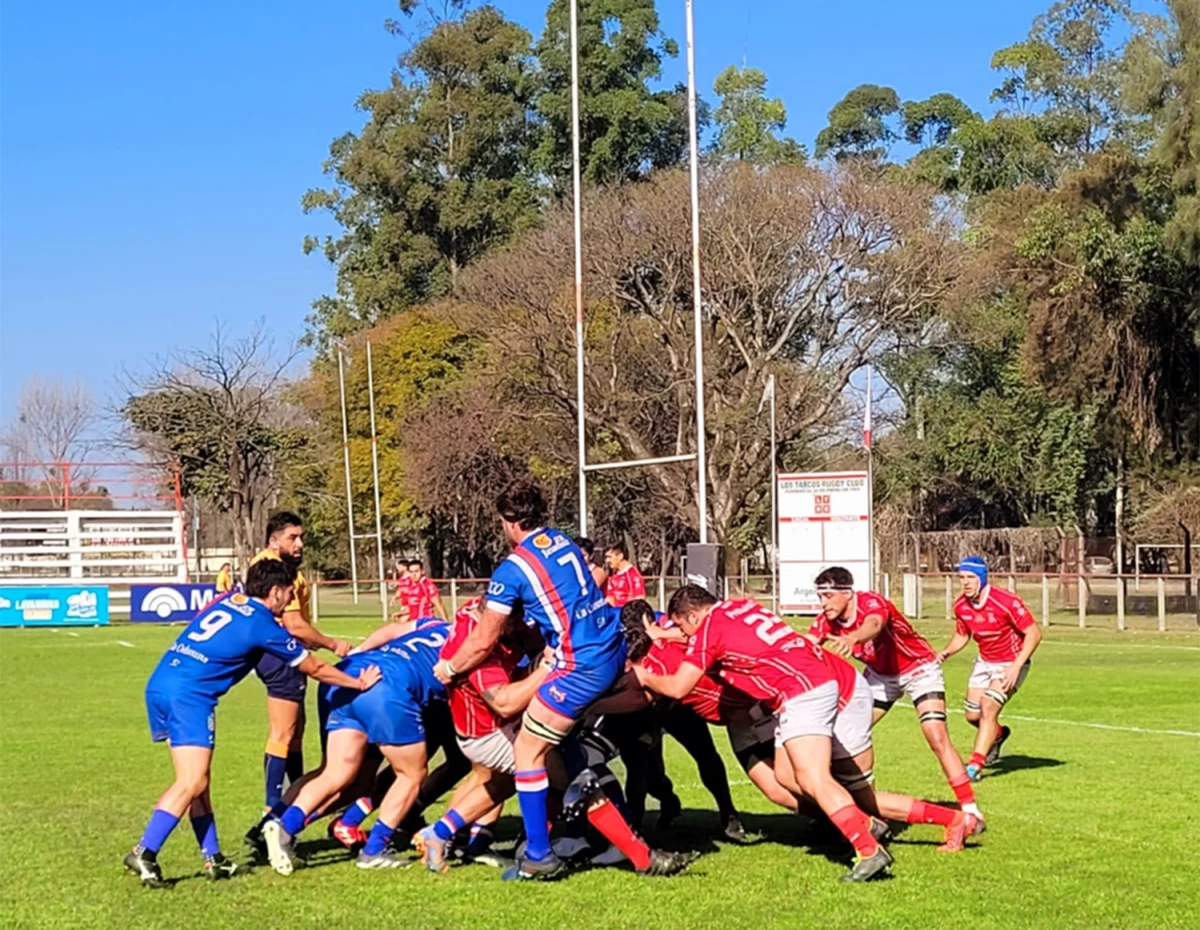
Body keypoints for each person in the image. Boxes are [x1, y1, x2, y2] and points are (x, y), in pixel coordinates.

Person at [435, 479, 689, 881]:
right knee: (568, 758)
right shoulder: (562, 541)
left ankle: (539, 854)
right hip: (609, 648)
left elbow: (484, 638)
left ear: (508, 521)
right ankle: (638, 854)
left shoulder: (512, 569)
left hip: (580, 662)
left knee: (528, 753)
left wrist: (449, 668)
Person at [618, 613, 975, 853]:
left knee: (836, 789)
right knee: (780, 790)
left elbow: (676, 680)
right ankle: (853, 825)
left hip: (785, 704)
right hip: (747, 720)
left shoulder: (679, 647)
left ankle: (934, 822)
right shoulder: (694, 636)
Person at [124, 558, 380, 888]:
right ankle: (144, 851)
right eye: (288, 593)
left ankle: (213, 858)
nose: (290, 600)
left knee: (199, 782)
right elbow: (313, 667)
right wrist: (358, 683)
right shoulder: (263, 624)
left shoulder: (231, 600)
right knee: (190, 781)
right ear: (274, 592)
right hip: (189, 696)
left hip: (160, 684)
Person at [632, 585, 893, 882]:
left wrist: (646, 678)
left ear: (693, 614)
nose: (686, 635)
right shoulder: (740, 606)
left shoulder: (709, 629)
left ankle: (867, 846)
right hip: (799, 685)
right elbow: (713, 637)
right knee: (784, 776)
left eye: (682, 626)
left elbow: (679, 687)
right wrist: (667, 635)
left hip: (800, 689)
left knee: (812, 777)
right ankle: (863, 823)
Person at [262, 618, 452, 873]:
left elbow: (393, 630)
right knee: (411, 774)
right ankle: (374, 849)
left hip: (349, 672)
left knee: (338, 774)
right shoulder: (480, 641)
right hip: (386, 687)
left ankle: (284, 827)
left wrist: (360, 652)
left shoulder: (439, 625)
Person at [808, 566, 984, 829]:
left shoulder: (870, 603)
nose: (823, 603)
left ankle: (970, 809)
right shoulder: (826, 620)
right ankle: (844, 809)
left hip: (919, 669)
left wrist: (853, 638)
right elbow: (807, 645)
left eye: (828, 595)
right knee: (840, 740)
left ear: (847, 593)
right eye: (820, 596)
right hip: (880, 678)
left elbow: (875, 624)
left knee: (936, 734)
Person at [247, 512, 352, 838]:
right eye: (293, 537)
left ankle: (295, 796)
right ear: (274, 539)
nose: (299, 543)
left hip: (275, 652)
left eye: (300, 536)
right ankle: (272, 812)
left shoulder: (264, 563)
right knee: (284, 731)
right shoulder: (278, 572)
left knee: (294, 731)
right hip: (280, 652)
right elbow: (293, 625)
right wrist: (333, 643)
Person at [940, 556, 1043, 780]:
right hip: (984, 662)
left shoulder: (1005, 601)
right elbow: (962, 634)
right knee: (972, 715)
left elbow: (1034, 633)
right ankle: (997, 734)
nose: (965, 582)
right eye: (961, 578)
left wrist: (1016, 666)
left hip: (1011, 663)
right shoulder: (961, 605)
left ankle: (974, 766)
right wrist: (946, 652)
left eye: (970, 578)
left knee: (988, 707)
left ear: (982, 579)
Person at [605, 542, 646, 608]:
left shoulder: (632, 574)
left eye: (610, 557)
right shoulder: (613, 573)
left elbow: (640, 600)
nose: (607, 560)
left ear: (620, 556)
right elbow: (610, 597)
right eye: (606, 557)